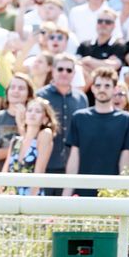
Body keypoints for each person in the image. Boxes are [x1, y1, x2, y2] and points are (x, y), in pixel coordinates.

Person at [64, 67, 129, 197]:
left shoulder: (125, 120)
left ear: (114, 89)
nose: (102, 89)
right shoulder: (79, 117)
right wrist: (66, 194)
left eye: (107, 85)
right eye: (98, 85)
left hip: (112, 193)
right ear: (92, 88)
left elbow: (125, 161)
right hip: (82, 191)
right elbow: (74, 158)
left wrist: (125, 194)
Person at [37, 53, 88, 195]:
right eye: (60, 69)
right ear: (52, 70)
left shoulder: (81, 98)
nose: (64, 73)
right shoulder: (40, 96)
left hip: (72, 165)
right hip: (46, 164)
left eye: (69, 70)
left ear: (74, 73)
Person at [1, 97, 57, 196]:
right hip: (9, 195)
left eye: (38, 111)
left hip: (30, 195)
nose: (32, 113)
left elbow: (39, 171)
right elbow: (5, 171)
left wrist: (31, 200)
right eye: (29, 110)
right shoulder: (15, 141)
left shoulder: (45, 135)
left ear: (45, 119)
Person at [0, 73, 35, 165]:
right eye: (12, 87)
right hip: (0, 174)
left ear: (29, 95)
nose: (16, 91)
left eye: (21, 88)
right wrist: (16, 149)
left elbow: (35, 150)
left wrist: (21, 123)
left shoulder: (34, 118)